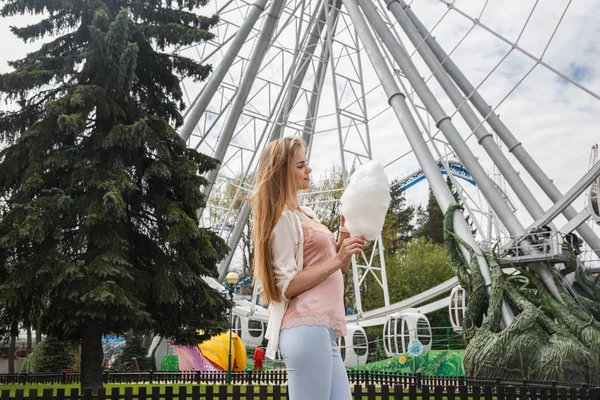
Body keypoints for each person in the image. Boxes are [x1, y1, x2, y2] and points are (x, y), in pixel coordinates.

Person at [252, 137, 365, 400]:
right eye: (301, 165)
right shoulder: (281, 217)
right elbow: (285, 286)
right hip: (306, 326)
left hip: (325, 329)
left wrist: (345, 233)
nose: (309, 170)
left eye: (307, 164)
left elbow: (340, 268)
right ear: (282, 172)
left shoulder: (307, 214)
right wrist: (336, 261)